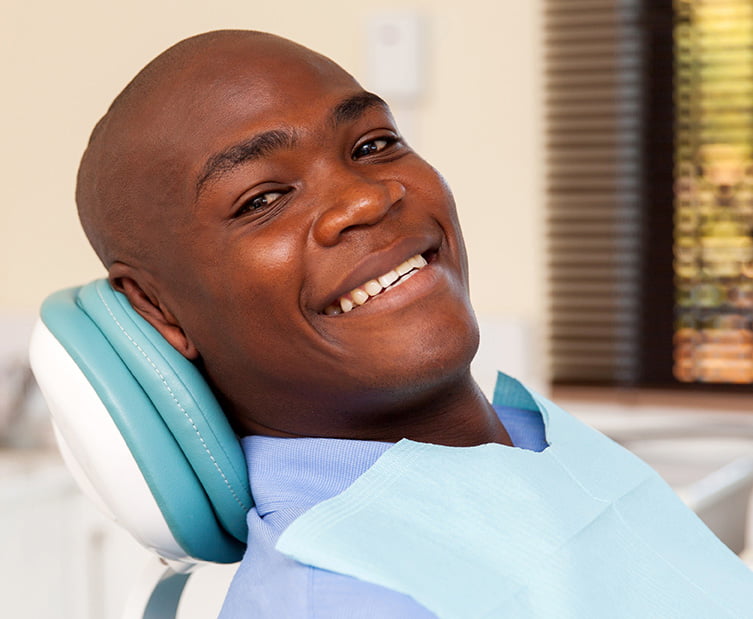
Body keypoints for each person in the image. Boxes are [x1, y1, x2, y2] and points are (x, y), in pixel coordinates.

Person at [75, 30, 753, 618]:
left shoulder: (534, 441)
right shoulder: (343, 597)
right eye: (263, 197)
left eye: (372, 144)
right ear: (157, 309)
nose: (366, 198)